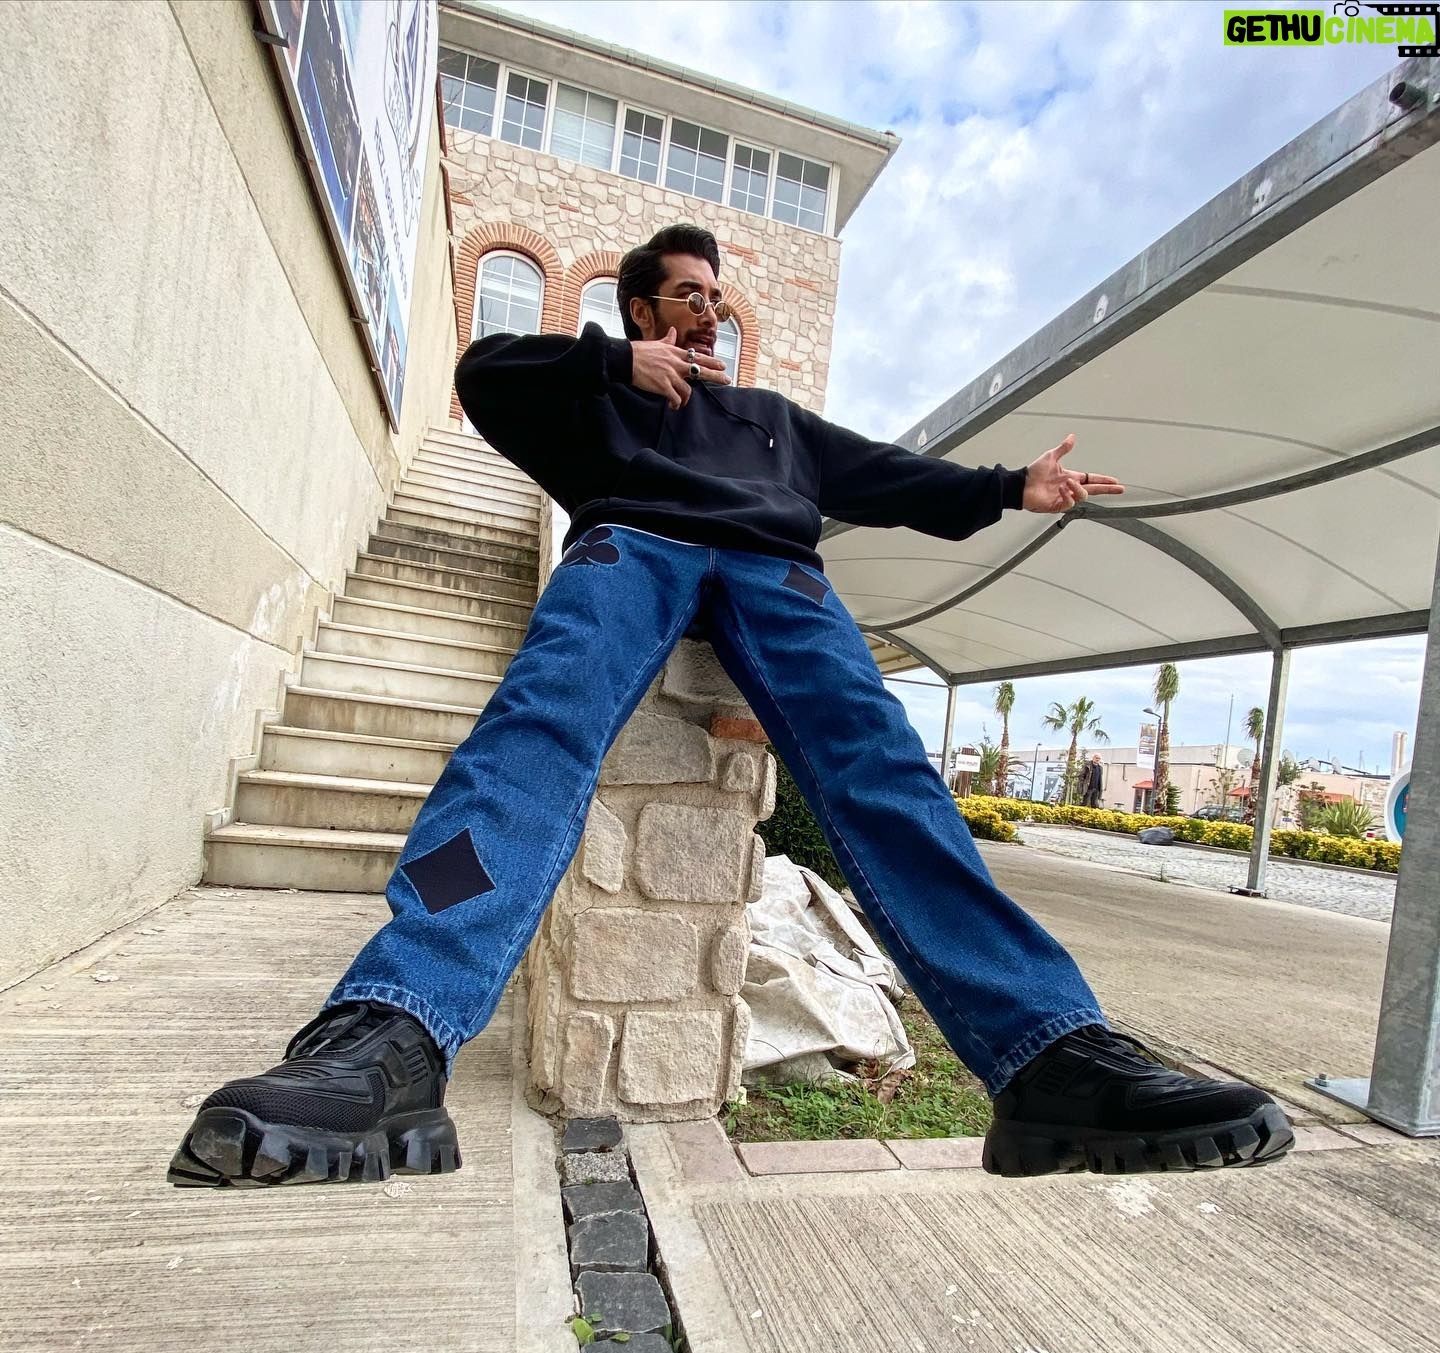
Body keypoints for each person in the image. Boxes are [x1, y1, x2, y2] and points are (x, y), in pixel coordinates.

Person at [168, 224, 1293, 1189]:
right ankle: (393, 1027)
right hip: (629, 548)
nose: (708, 314)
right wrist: (616, 366)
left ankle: (1050, 1054)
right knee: (529, 738)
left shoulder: (771, 421)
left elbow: (893, 476)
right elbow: (484, 373)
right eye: (686, 297)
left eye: (716, 299)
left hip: (777, 572)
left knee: (888, 776)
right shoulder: (597, 389)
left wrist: (1009, 488)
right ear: (642, 308)